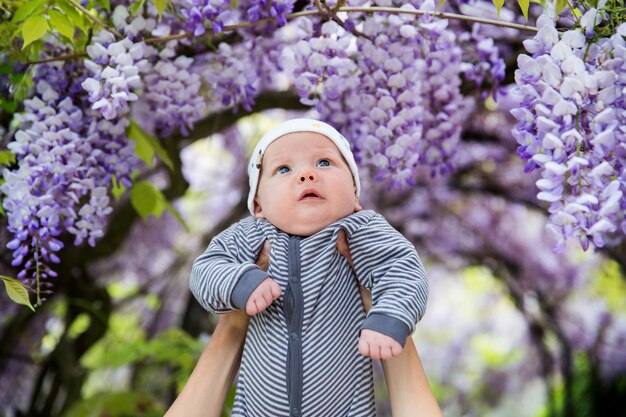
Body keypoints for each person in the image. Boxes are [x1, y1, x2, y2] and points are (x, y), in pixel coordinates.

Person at [188, 118, 429, 416]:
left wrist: (389, 317)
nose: (307, 175)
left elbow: (402, 269)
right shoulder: (250, 234)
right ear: (259, 205)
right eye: (284, 169)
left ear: (355, 192)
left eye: (324, 162)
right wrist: (240, 282)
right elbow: (206, 269)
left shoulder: (362, 229)